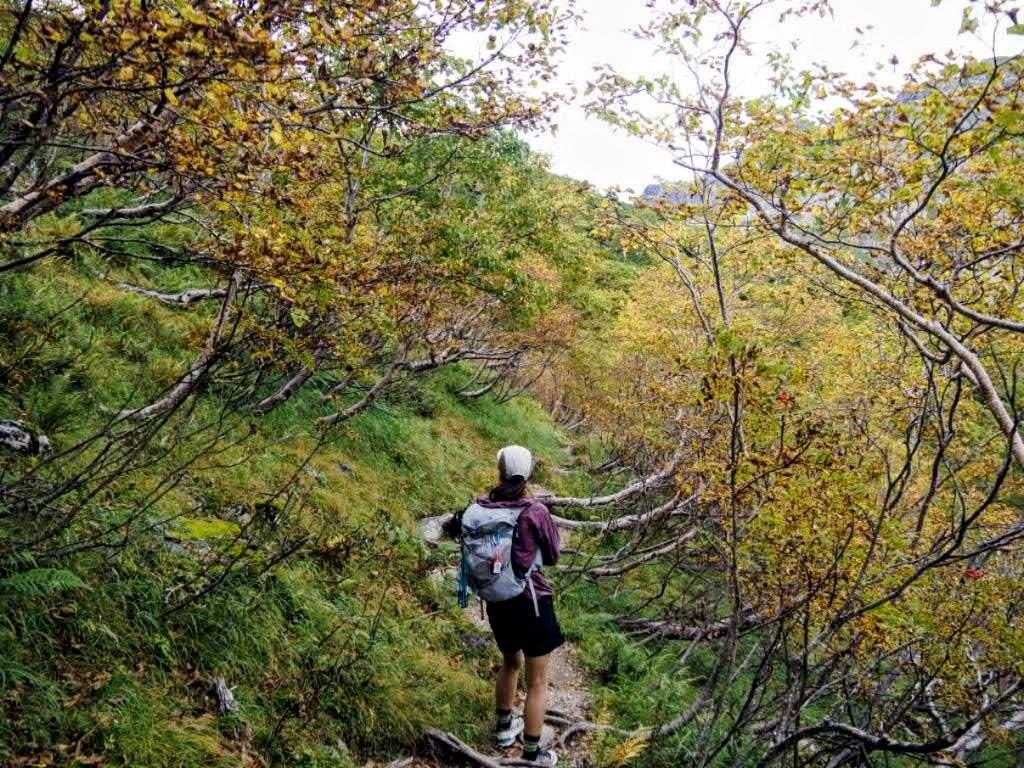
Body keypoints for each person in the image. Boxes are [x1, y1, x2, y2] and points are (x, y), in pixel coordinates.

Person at [474, 444, 563, 766]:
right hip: (532, 602)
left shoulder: (481, 506)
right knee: (537, 681)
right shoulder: (535, 511)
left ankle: (503, 729)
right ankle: (532, 754)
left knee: (509, 663)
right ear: (528, 475)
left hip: (497, 600)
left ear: (500, 471)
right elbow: (552, 556)